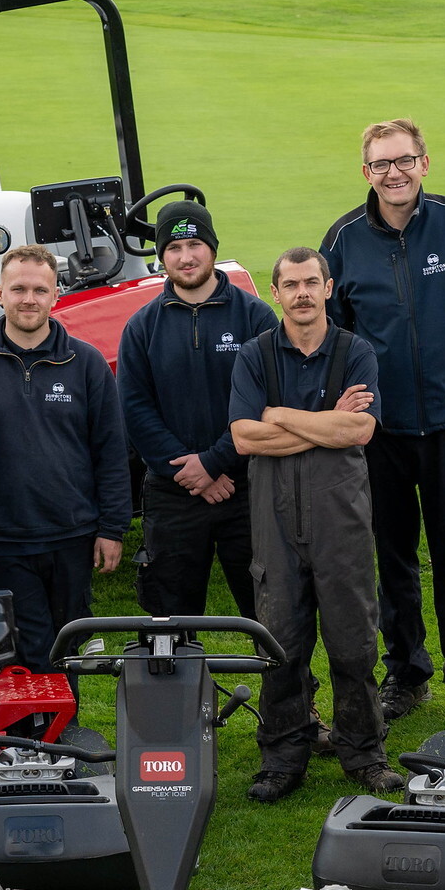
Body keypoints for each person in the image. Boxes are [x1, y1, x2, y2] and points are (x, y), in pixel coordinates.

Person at [321, 118, 445, 723]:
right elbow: (332, 337)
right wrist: (342, 417)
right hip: (380, 433)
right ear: (366, 173)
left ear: (425, 163)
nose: (393, 173)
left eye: (403, 161)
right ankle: (406, 673)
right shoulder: (344, 239)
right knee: (392, 552)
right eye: (380, 165)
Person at [229, 247, 407, 803]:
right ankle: (283, 757)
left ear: (329, 288)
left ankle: (363, 753)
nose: (302, 293)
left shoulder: (356, 352)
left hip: (341, 519)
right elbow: (242, 438)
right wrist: (326, 421)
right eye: (291, 285)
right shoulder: (256, 355)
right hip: (274, 519)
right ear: (275, 293)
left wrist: (280, 415)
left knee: (353, 640)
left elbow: (358, 432)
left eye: (312, 283)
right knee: (281, 640)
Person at [0, 244, 132, 675]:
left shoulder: (86, 362)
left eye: (40, 290)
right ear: (0, 293)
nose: (29, 299)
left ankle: (62, 732)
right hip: (3, 537)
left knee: (67, 643)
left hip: (72, 534)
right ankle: (29, 735)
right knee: (28, 646)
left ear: (56, 295)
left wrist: (112, 528)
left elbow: (111, 452)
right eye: (19, 289)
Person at [117, 200, 275, 618]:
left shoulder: (255, 317)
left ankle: (286, 685)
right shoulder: (141, 326)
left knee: (269, 608)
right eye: (174, 248)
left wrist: (215, 462)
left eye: (195, 244)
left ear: (213, 247)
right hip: (174, 491)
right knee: (170, 618)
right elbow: (135, 408)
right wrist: (192, 473)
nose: (186, 257)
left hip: (245, 485)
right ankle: (177, 685)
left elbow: (268, 402)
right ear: (161, 256)